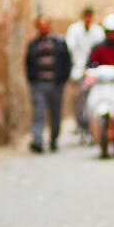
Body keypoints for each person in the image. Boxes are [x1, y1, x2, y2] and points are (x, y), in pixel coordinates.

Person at [25, 15, 72, 153]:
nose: (43, 27)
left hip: (56, 84)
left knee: (55, 113)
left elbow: (66, 61)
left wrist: (63, 79)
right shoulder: (33, 44)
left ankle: (53, 139)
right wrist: (32, 80)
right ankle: (37, 140)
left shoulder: (59, 43)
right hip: (39, 84)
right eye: (41, 25)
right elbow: (28, 63)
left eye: (45, 24)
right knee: (39, 112)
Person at [65, 7, 105, 142]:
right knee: (78, 101)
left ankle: (91, 127)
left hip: (93, 71)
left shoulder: (98, 31)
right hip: (78, 71)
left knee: (92, 101)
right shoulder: (74, 30)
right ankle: (81, 126)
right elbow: (70, 49)